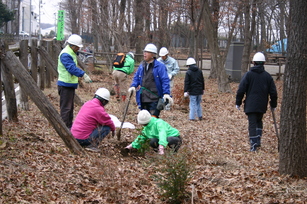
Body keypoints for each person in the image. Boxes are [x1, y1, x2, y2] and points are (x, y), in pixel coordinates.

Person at [235, 52, 278, 152]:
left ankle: (253, 143)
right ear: (263, 63)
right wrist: (273, 104)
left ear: (253, 62)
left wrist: (238, 102)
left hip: (250, 104)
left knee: (252, 124)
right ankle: (257, 140)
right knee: (259, 121)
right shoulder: (267, 76)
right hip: (262, 105)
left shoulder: (248, 75)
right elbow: (273, 92)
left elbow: (241, 89)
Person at [128, 43, 173, 118]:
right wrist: (133, 86)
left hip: (154, 99)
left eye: (147, 52)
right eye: (144, 52)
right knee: (144, 120)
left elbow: (165, 80)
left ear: (153, 55)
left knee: (153, 120)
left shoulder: (160, 66)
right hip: (143, 98)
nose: (144, 54)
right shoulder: (142, 65)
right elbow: (137, 77)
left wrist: (166, 93)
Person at [57, 34, 92, 129]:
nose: (78, 49)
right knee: (66, 109)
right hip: (65, 85)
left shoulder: (70, 52)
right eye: (77, 47)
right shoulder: (66, 54)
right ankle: (64, 128)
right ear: (72, 45)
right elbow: (71, 68)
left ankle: (69, 127)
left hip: (69, 84)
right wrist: (83, 74)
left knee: (70, 108)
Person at [71, 88, 116, 152]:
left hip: (73, 136)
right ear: (104, 101)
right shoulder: (98, 109)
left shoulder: (87, 103)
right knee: (107, 128)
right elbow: (108, 122)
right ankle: (92, 145)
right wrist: (113, 130)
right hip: (82, 139)